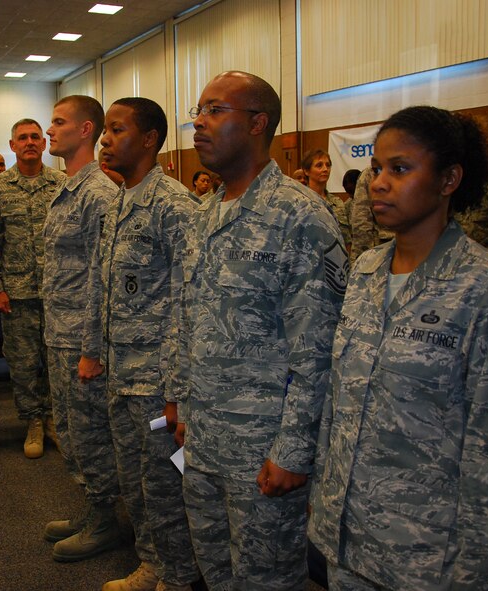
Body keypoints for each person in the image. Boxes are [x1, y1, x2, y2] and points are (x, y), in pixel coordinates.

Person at [308, 105, 488, 590]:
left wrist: (481, 565)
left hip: (429, 552)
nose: (378, 183)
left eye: (400, 169)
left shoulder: (486, 285)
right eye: (376, 169)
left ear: (449, 179)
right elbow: (340, 396)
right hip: (347, 535)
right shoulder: (366, 271)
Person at [176, 71, 347, 590]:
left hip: (262, 449)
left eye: (214, 110)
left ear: (257, 123)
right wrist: (183, 405)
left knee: (265, 579)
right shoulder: (206, 212)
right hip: (204, 439)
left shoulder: (300, 217)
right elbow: (189, 321)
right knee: (215, 570)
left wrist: (294, 449)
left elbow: (319, 349)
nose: (198, 124)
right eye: (197, 111)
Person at [82, 97, 199, 591]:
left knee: (164, 486)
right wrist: (95, 350)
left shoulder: (174, 207)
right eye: (104, 130)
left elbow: (187, 304)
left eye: (116, 130)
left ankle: (176, 576)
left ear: (149, 139)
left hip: (156, 380)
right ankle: (153, 563)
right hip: (120, 373)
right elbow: (103, 287)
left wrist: (176, 390)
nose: (105, 140)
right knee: (137, 482)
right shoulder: (119, 203)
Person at [41, 95, 121, 563]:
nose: (50, 131)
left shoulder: (98, 194)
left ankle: (106, 521)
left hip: (81, 340)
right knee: (70, 432)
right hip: (59, 331)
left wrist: (92, 346)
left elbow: (102, 276)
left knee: (90, 434)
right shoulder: (67, 187)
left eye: (58, 122)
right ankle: (93, 508)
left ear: (86, 129)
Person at [0, 119, 64, 459]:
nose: (29, 142)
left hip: (57, 292)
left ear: (43, 144)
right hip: (16, 295)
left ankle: (54, 420)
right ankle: (32, 421)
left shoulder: (62, 184)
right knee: (24, 362)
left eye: (35, 137)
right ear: (12, 146)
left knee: (56, 361)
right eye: (22, 138)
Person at [303, 148, 351, 250]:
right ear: (307, 171)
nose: (325, 169)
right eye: (319, 165)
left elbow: (346, 240)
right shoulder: (300, 201)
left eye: (328, 165)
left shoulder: (337, 203)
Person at [349, 166, 394, 261]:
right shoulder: (370, 174)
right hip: (381, 252)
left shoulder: (419, 170)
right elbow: (361, 221)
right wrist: (363, 260)